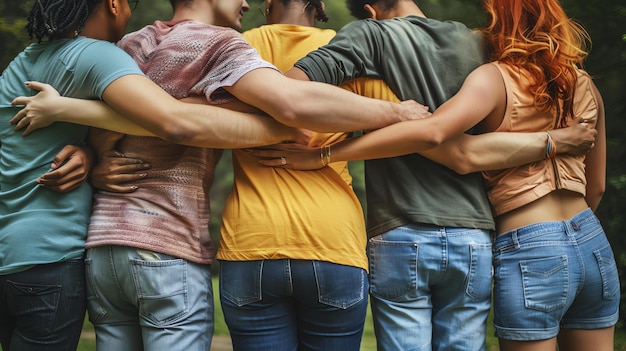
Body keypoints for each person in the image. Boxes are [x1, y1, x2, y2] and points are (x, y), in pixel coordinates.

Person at [252, 0, 616, 350]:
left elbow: (448, 143)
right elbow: (595, 186)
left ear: (369, 10)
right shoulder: (571, 80)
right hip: (566, 238)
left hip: (455, 234)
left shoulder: (488, 75)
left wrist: (328, 148)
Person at [218, 1, 370, 350]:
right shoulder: (346, 49)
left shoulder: (235, 47)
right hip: (332, 239)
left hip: (250, 239)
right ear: (319, 7)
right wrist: (324, 155)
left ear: (267, 4)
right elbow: (390, 128)